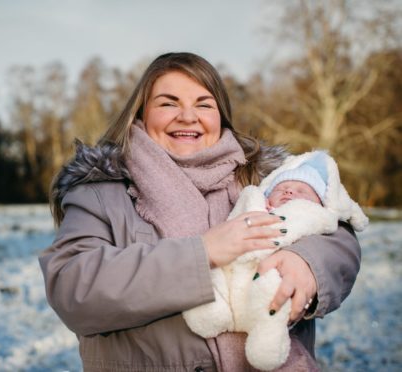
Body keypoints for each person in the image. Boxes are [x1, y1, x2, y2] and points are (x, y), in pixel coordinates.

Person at [39, 52, 361, 371]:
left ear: (220, 116)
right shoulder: (101, 192)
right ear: (140, 113)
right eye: (168, 103)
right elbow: (73, 288)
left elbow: (337, 230)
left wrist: (308, 262)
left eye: (204, 104)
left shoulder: (264, 178)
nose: (188, 116)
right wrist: (202, 252)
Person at [182, 150, 368, 370]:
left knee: (270, 296)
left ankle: (268, 337)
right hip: (234, 269)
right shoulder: (254, 201)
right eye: (281, 188)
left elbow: (339, 237)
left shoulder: (260, 168)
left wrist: (307, 260)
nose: (289, 190)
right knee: (217, 279)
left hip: (270, 276)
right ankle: (214, 311)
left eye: (301, 191)